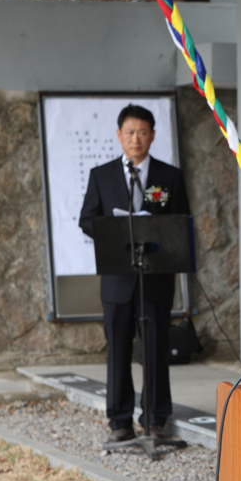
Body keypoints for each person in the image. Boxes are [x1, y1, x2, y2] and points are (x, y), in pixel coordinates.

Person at [78, 104, 191, 447]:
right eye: (130, 132)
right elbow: (87, 219)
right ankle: (120, 421)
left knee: (155, 348)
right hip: (117, 279)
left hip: (155, 279)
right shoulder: (103, 175)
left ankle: (156, 419)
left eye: (143, 132)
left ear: (153, 135)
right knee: (118, 350)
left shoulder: (169, 177)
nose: (136, 139)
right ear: (119, 135)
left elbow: (181, 222)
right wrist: (113, 231)